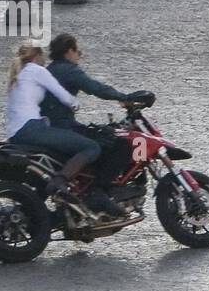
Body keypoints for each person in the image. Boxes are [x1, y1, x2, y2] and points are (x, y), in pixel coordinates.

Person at [4, 43, 122, 216]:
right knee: (91, 147)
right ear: (37, 56)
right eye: (42, 57)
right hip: (32, 128)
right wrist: (75, 104)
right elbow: (62, 95)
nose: (45, 61)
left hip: (15, 134)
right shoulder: (37, 70)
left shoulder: (19, 74)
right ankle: (60, 182)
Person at [41, 33, 149, 214]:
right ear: (69, 51)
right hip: (63, 128)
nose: (79, 55)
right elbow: (95, 88)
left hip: (48, 128)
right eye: (78, 51)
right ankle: (97, 191)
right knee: (120, 144)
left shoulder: (49, 70)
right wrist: (126, 98)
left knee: (101, 136)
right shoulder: (67, 70)